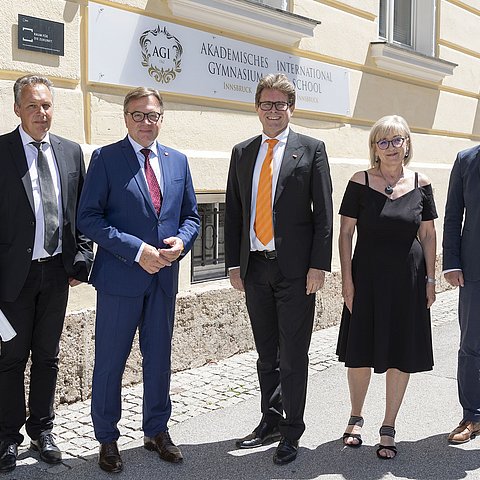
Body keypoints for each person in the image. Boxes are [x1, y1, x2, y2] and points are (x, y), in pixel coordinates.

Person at [77, 87, 199, 473]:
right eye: (138, 115)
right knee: (110, 362)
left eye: (153, 116)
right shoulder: (106, 159)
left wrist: (183, 240)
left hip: (164, 278)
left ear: (162, 118)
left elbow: (192, 216)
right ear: (125, 117)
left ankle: (157, 431)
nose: (146, 123)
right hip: (120, 279)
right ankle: (107, 439)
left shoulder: (177, 161)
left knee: (159, 359)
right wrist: (137, 250)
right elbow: (89, 218)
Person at [225, 73, 333, 465]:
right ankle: (269, 420)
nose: (273, 111)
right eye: (267, 104)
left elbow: (323, 213)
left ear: (291, 108)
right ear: (257, 108)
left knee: (293, 356)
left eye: (280, 105)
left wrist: (319, 266)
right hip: (255, 269)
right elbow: (234, 211)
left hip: (295, 271)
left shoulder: (311, 149)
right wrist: (234, 264)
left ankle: (292, 430)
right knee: (265, 353)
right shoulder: (242, 151)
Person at [0, 75, 93, 472]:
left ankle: (43, 430)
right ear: (18, 109)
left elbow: (83, 214)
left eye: (47, 105)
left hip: (56, 275)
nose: (42, 112)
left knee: (48, 358)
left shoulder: (70, 152)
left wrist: (81, 259)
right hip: (11, 278)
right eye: (33, 105)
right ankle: (7, 438)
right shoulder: (1, 151)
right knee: (10, 358)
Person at [337, 115, 437, 459]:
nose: (392, 147)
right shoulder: (360, 181)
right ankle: (355, 415)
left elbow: (427, 233)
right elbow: (346, 233)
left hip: (408, 281)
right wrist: (347, 281)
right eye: (384, 141)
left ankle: (388, 425)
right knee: (360, 350)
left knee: (401, 352)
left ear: (408, 143)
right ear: (374, 148)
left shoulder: (422, 183)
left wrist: (430, 278)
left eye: (398, 140)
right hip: (367, 279)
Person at [443, 145, 480, 444]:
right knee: (471, 346)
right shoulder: (466, 160)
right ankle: (473, 415)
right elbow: (453, 215)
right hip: (474, 268)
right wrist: (452, 262)